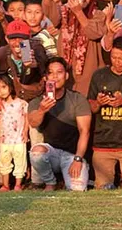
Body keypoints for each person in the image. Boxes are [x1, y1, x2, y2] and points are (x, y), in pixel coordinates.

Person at [28, 57, 92, 191]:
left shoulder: (77, 99)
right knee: (36, 152)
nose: (55, 76)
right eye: (50, 73)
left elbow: (84, 131)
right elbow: (33, 122)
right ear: (45, 77)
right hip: (51, 153)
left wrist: (78, 159)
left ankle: (68, 177)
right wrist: (42, 110)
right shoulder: (38, 101)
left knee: (77, 189)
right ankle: (50, 182)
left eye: (59, 72)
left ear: (67, 75)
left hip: (72, 154)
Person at [88, 37, 122, 190]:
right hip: (103, 144)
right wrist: (99, 102)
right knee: (103, 191)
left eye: (121, 58)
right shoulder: (99, 75)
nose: (117, 62)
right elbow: (91, 107)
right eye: (113, 57)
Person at [0, 74, 28, 192]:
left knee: (20, 161)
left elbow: (26, 119)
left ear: (10, 87)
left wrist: (25, 132)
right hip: (5, 140)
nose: (1, 91)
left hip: (19, 139)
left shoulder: (21, 103)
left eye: (4, 87)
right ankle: (5, 185)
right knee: (4, 162)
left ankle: (17, 184)